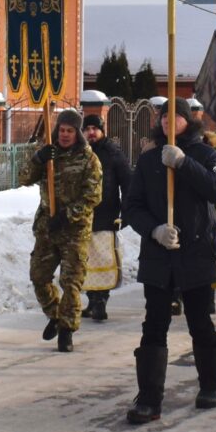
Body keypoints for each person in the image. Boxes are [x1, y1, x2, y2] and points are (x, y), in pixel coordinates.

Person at [124, 98, 216, 424]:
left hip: (196, 253)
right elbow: (132, 207)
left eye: (176, 116)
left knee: (200, 323)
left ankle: (210, 385)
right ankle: (149, 400)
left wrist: (184, 164)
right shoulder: (149, 160)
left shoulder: (206, 155)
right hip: (159, 258)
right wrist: (153, 230)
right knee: (154, 327)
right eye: (164, 116)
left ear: (188, 120)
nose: (169, 121)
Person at [22, 109, 103, 352]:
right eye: (62, 130)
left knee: (71, 282)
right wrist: (38, 159)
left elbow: (93, 197)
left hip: (75, 231)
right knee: (39, 276)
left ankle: (66, 331)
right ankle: (55, 315)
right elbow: (23, 178)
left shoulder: (89, 160)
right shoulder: (49, 154)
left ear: (78, 133)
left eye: (70, 131)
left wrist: (67, 216)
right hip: (47, 228)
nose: (65, 135)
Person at [81, 114, 130, 323]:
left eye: (95, 128)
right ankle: (92, 300)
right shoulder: (80, 153)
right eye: (88, 128)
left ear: (102, 130)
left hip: (106, 215)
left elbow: (128, 184)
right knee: (86, 259)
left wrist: (126, 212)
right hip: (82, 216)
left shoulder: (113, 153)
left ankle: (101, 300)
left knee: (103, 258)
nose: (91, 132)